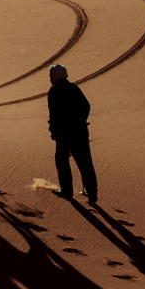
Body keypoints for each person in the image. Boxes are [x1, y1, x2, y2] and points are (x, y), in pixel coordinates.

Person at [48, 64, 98, 204]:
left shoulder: (54, 91)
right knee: (85, 162)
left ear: (54, 76)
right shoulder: (74, 88)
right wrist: (80, 121)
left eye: (51, 76)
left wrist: (54, 131)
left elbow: (54, 115)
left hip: (64, 134)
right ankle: (92, 193)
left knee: (62, 160)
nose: (50, 79)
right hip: (80, 132)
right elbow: (86, 106)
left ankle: (67, 191)